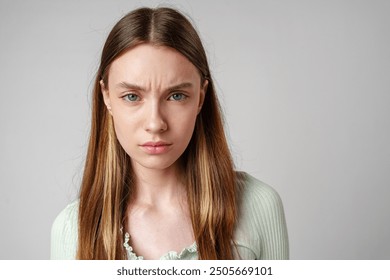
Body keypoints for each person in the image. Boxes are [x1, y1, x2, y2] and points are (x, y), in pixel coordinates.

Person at [51, 7, 289, 260]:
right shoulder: (72, 230)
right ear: (107, 96)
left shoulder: (259, 207)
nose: (155, 123)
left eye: (176, 96)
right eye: (132, 96)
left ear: (201, 97)